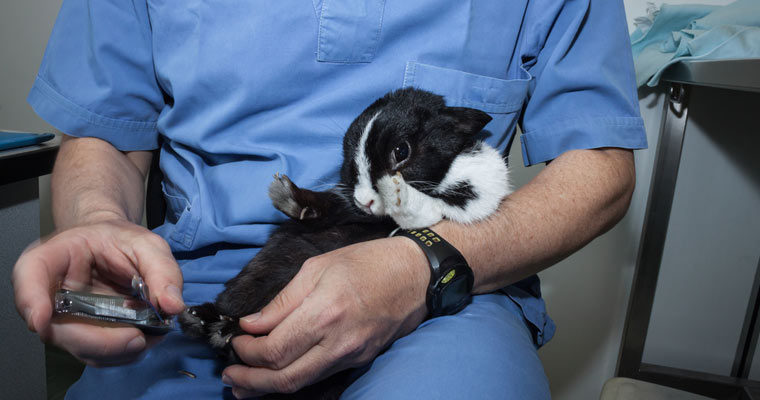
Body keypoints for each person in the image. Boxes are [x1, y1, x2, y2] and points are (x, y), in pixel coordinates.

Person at [14, 0, 647, 398]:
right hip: (199, 284)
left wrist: (419, 264)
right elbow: (107, 135)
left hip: (444, 286)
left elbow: (600, 167)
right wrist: (98, 222)